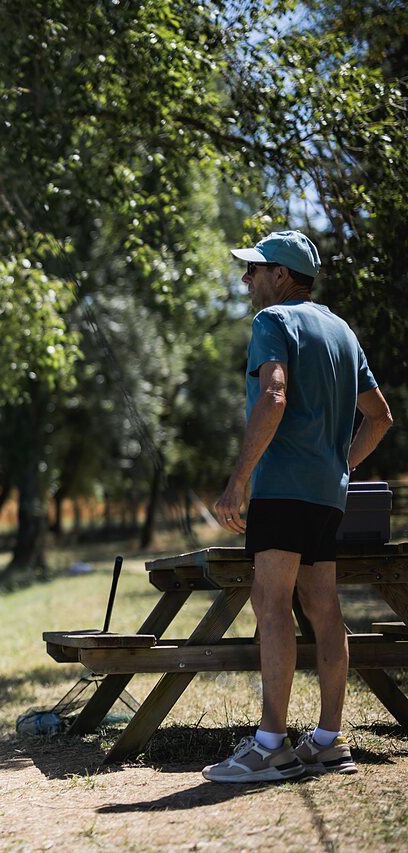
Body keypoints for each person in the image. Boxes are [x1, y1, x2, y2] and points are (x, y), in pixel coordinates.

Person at [203, 230, 393, 783]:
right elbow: (379, 416)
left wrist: (238, 481)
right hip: (327, 497)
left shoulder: (273, 323)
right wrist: (341, 466)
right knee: (323, 607)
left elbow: (274, 395)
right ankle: (329, 741)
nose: (247, 279)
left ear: (281, 277)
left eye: (255, 270)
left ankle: (271, 745)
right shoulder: (341, 330)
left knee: (270, 601)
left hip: (282, 488)